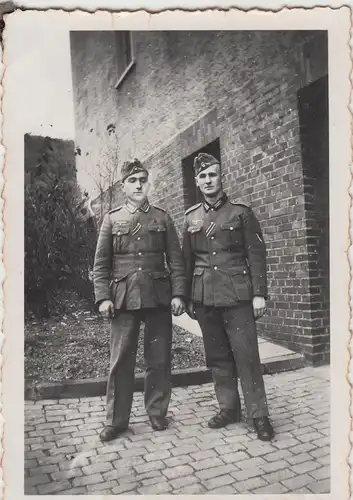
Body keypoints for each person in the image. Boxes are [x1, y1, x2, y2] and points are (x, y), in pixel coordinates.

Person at [182, 152, 274, 441]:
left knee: (247, 356)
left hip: (237, 296)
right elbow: (187, 260)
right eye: (203, 176)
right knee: (218, 357)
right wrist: (186, 297)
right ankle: (228, 408)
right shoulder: (190, 217)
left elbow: (256, 255)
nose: (208, 180)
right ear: (197, 182)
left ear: (221, 178)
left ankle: (259, 415)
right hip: (205, 297)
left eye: (213, 174)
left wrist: (259, 294)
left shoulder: (241, 213)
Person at [93, 158, 186, 442]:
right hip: (122, 297)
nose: (138, 185)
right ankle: (116, 420)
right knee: (120, 361)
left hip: (158, 296)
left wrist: (179, 293)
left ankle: (157, 412)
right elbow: (101, 264)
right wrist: (103, 298)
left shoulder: (162, 217)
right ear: (123, 187)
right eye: (132, 181)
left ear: (149, 183)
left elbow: (177, 260)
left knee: (158, 359)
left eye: (142, 180)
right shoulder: (112, 219)